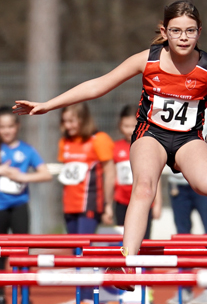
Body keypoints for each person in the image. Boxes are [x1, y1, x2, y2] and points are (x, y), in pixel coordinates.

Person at [13, 0, 207, 293]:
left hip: (188, 139)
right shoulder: (148, 60)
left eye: (190, 31)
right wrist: (48, 105)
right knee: (145, 186)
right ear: (164, 31)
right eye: (176, 31)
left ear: (199, 32)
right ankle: (126, 261)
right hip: (150, 134)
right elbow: (98, 85)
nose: (183, 38)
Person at [57, 103, 115, 302]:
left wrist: (108, 204)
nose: (68, 125)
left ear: (83, 119)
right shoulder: (65, 141)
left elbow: (109, 173)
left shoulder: (99, 139)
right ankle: (81, 295)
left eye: (72, 121)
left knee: (84, 250)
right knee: (75, 253)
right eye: (65, 121)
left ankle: (89, 297)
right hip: (69, 205)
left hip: (89, 204)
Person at [167, 102, 207, 304]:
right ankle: (185, 288)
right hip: (178, 184)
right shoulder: (170, 102)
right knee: (182, 236)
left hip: (204, 182)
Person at [0, 105, 52, 304]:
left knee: (22, 252)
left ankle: (26, 295)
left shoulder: (27, 150)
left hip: (20, 206)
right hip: (0, 208)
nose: (6, 131)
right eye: (2, 127)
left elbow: (45, 174)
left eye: (9, 126)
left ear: (17, 126)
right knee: (1, 253)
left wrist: (22, 176)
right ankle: (1, 296)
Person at [113, 104, 162, 239]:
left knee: (144, 238)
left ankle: (143, 260)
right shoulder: (115, 147)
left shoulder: (148, 146)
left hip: (144, 201)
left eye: (132, 125)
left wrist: (157, 203)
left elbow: (155, 177)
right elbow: (111, 176)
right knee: (123, 237)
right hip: (122, 201)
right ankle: (127, 259)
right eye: (126, 126)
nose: (129, 130)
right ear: (120, 126)